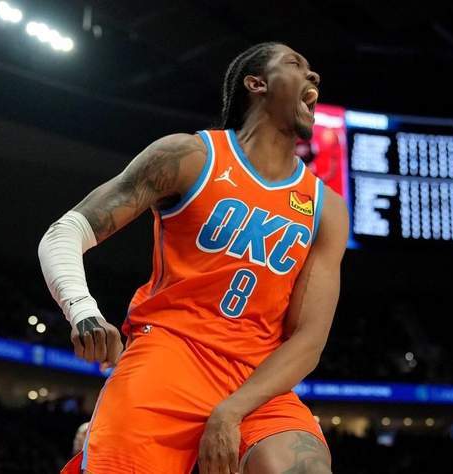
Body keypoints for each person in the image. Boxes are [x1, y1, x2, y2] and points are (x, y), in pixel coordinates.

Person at [38, 42, 349, 474]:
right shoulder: (189, 157)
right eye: (296, 64)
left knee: (305, 467)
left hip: (258, 380)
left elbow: (308, 339)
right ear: (256, 83)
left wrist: (232, 410)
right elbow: (65, 232)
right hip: (168, 356)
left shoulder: (326, 208)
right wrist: (83, 310)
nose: (313, 76)